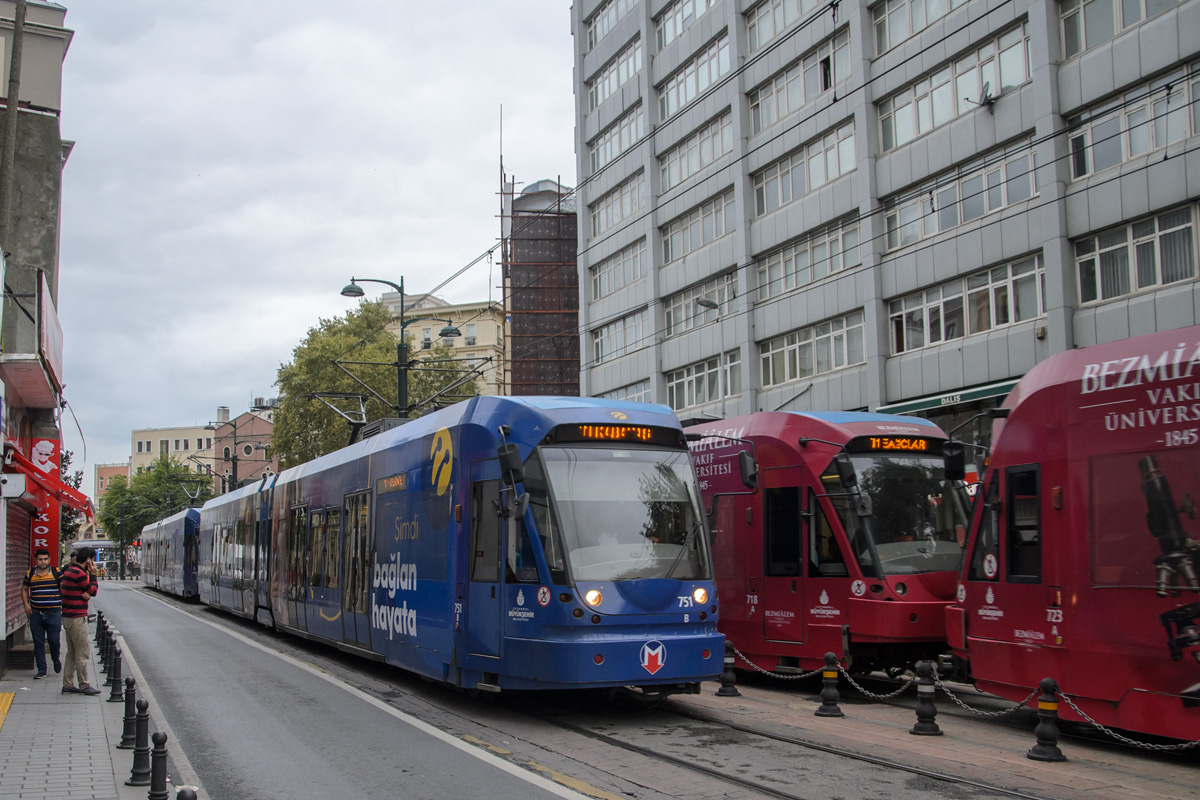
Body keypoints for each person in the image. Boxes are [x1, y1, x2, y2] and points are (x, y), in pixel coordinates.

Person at [60, 547, 101, 696]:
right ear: (88, 560)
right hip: (77, 617)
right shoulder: (80, 574)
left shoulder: (68, 572)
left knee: (71, 652)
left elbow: (84, 592)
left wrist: (85, 594)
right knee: (82, 652)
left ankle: (68, 683)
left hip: (67, 617)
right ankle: (84, 684)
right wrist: (93, 575)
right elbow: (93, 590)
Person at [21, 547, 63, 679]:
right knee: (38, 642)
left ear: (49, 559)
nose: (43, 562)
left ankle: (55, 659)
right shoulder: (30, 574)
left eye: (45, 559)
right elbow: (24, 589)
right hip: (36, 614)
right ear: (36, 560)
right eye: (40, 559)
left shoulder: (56, 572)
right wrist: (26, 605)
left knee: (54, 641)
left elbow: (64, 588)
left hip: (53, 613)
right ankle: (42, 670)